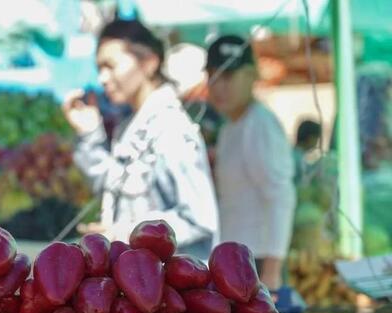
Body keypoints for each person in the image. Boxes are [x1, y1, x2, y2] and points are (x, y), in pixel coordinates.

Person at [64, 19, 218, 259]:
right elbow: (112, 186)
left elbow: (199, 220)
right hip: (140, 277)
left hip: (169, 280)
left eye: (111, 66)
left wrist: (126, 233)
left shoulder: (171, 128)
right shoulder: (132, 125)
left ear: (148, 62)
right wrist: (90, 135)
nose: (103, 78)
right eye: (99, 69)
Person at [206, 35, 295, 290]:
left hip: (258, 262)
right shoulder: (231, 126)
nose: (218, 86)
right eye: (212, 76)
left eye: (227, 76)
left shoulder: (260, 124)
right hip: (237, 260)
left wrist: (272, 271)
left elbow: (280, 196)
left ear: (251, 76)